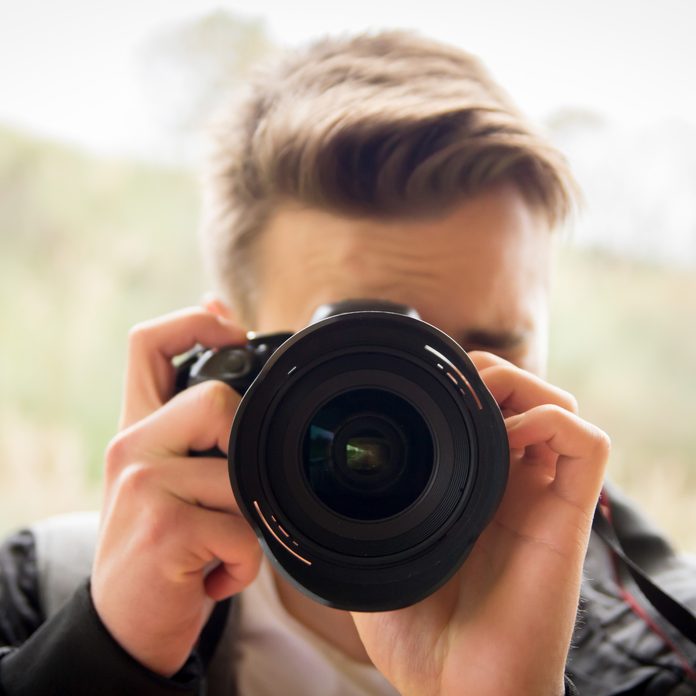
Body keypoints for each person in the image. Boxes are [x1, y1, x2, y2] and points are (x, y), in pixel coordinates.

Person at [0, 30, 694, 696]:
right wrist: (107, 652)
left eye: (489, 347)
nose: (434, 399)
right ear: (236, 361)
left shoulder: (671, 650)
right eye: (371, 349)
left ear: (544, 338)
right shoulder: (42, 592)